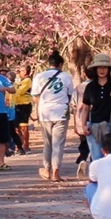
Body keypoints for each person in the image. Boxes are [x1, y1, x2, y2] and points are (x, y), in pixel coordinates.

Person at [32, 50, 75, 181]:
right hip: (61, 112)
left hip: (45, 112)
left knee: (48, 143)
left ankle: (46, 169)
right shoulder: (66, 77)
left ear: (48, 63)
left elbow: (35, 97)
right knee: (58, 143)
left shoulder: (39, 77)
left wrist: (39, 109)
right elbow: (69, 95)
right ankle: (56, 170)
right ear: (60, 64)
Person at [78, 53, 111, 163]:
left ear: (109, 69)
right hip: (94, 127)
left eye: (105, 67)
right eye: (99, 67)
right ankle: (98, 180)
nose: (102, 70)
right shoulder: (90, 87)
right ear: (95, 69)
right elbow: (86, 108)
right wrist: (84, 125)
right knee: (97, 159)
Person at [13, 64, 33, 154]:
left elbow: (20, 91)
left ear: (25, 72)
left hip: (24, 105)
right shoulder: (19, 80)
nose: (19, 72)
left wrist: (12, 90)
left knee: (24, 127)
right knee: (17, 127)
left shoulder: (27, 80)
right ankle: (20, 145)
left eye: (20, 71)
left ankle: (26, 146)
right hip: (17, 105)